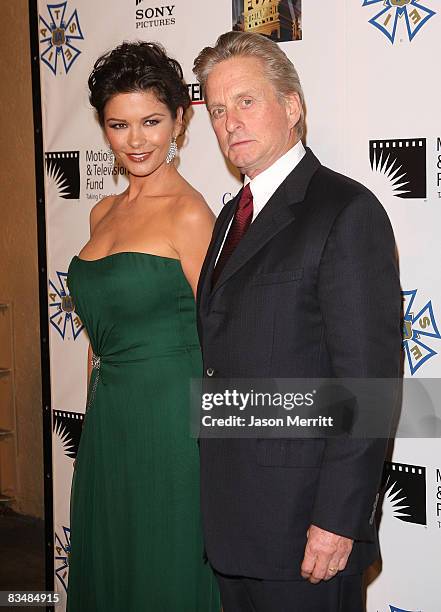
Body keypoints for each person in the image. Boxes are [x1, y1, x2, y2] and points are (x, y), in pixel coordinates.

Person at [193, 32, 402, 612]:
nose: (229, 121)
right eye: (216, 109)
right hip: (235, 522)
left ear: (292, 106)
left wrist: (338, 521)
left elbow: (369, 384)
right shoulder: (229, 219)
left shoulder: (345, 211)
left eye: (246, 100)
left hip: (307, 531)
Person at [66, 42, 220, 611]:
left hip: (172, 423)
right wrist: (93, 417)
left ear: (181, 120)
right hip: (111, 422)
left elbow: (220, 338)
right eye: (119, 124)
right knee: (115, 566)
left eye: (152, 122)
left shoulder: (190, 213)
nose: (136, 140)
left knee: (163, 567)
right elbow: (95, 338)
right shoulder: (100, 213)